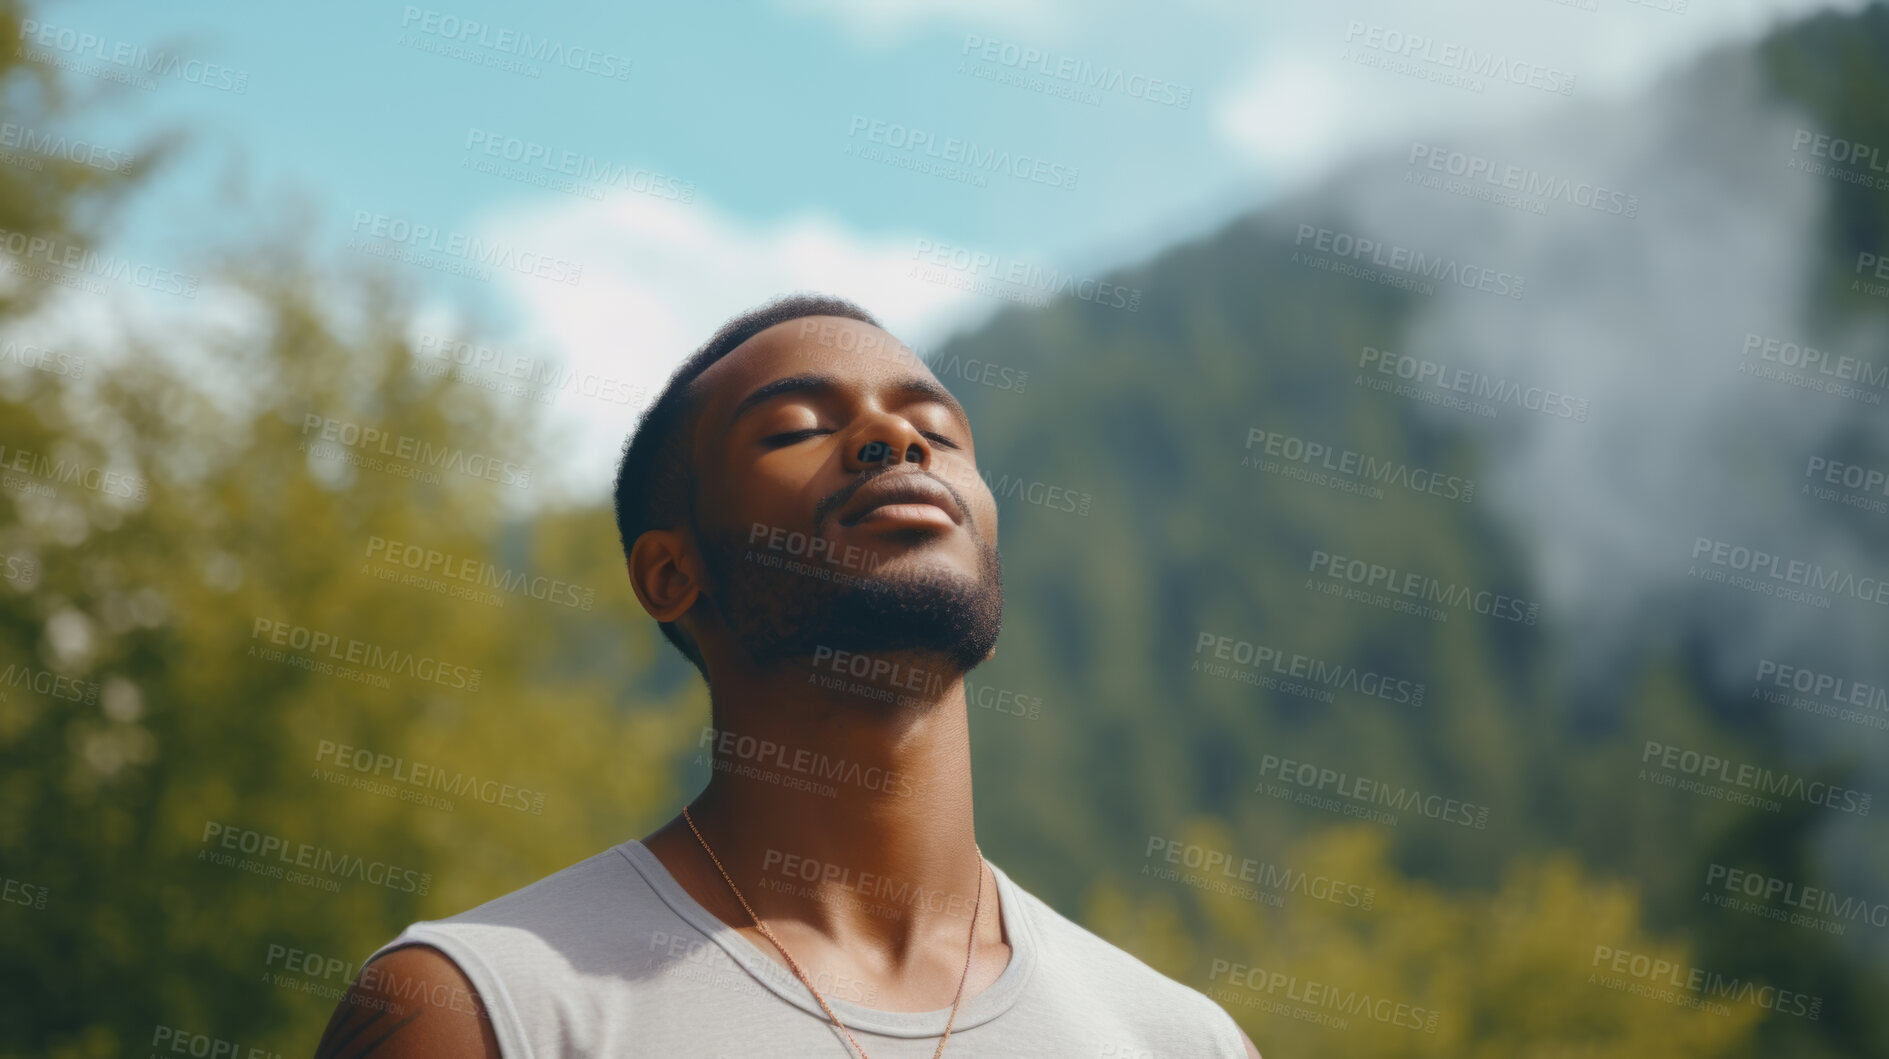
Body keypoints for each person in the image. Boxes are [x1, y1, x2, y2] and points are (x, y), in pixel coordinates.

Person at [315, 294, 1263, 1058]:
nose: (894, 438)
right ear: (670, 573)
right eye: (795, 428)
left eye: (936, 426)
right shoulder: (476, 1010)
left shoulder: (1178, 1038)